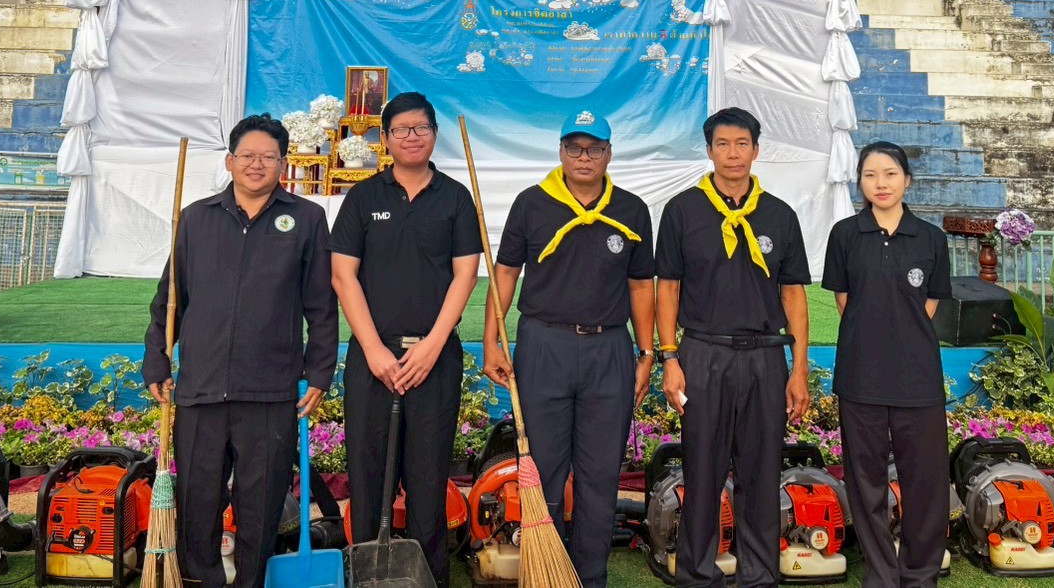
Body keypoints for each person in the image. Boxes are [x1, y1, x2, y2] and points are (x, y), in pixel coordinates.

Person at [143, 113, 338, 588]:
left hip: (270, 392)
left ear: (283, 164)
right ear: (230, 161)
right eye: (247, 155)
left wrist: (319, 371)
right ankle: (203, 580)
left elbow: (321, 304)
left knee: (261, 506)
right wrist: (157, 357)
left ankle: (252, 581)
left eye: (268, 157)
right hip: (201, 389)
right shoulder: (196, 218)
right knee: (198, 501)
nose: (257, 164)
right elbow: (170, 299)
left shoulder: (307, 219)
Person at [482, 110, 656, 588]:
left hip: (609, 349)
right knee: (544, 473)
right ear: (560, 151)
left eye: (594, 148)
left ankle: (590, 577)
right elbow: (505, 274)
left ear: (609, 154)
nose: (584, 157)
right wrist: (491, 340)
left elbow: (642, 286)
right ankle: (547, 576)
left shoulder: (631, 209)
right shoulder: (531, 203)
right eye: (575, 148)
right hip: (545, 345)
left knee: (601, 476)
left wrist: (647, 354)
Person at [331, 92, 482, 588]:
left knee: (427, 479)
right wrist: (374, 350)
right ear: (386, 138)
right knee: (368, 476)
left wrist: (433, 345)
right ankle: (367, 573)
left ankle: (428, 577)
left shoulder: (455, 197)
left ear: (435, 134)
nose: (411, 137)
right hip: (372, 359)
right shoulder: (363, 198)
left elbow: (465, 275)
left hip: (434, 357)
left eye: (421, 128)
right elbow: (343, 276)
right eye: (401, 129)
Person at [656, 106, 812, 588]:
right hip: (704, 355)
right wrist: (669, 357)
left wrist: (798, 368)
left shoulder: (779, 215)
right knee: (702, 470)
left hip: (765, 357)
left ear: (756, 150)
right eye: (722, 144)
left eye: (742, 143)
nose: (732, 153)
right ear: (709, 151)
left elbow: (793, 295)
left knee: (761, 473)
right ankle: (697, 575)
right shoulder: (683, 211)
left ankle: (758, 576)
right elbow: (668, 288)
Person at [819, 141, 952, 588]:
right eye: (870, 174)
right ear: (859, 181)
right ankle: (880, 575)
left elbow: (928, 306)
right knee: (865, 482)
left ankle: (920, 575)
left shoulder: (931, 238)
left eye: (890, 173)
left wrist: (901, 337)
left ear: (907, 180)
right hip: (861, 376)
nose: (881, 183)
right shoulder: (844, 235)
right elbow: (845, 302)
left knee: (926, 483)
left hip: (918, 379)